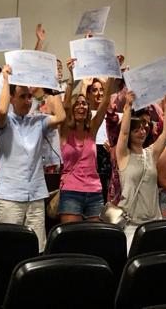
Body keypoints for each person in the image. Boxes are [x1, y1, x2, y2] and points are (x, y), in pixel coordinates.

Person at [0, 64, 66, 251]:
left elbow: (60, 117)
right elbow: (1, 111)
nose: (27, 101)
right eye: (22, 97)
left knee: (36, 248)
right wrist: (6, 79)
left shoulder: (38, 121)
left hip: (35, 195)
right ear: (12, 99)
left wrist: (53, 86)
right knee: (8, 249)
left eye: (29, 97)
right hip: (9, 197)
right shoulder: (5, 121)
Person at [115, 92, 166, 248]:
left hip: (154, 221)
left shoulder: (151, 153)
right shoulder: (123, 155)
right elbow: (124, 132)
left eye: (143, 128)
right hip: (131, 223)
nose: (142, 132)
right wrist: (128, 106)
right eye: (136, 130)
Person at [58, 76, 115, 223]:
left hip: (94, 191)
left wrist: (111, 78)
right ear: (72, 108)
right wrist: (71, 77)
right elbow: (65, 106)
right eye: (77, 104)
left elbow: (105, 102)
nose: (81, 106)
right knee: (71, 237)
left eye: (84, 104)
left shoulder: (92, 130)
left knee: (94, 238)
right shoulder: (65, 131)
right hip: (71, 191)